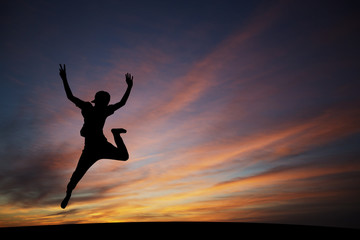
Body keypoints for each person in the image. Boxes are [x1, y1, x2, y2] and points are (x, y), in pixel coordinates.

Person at [59, 64, 133, 209]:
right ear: (98, 101)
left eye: (104, 101)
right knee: (76, 176)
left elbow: (122, 103)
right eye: (102, 101)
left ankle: (115, 134)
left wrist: (129, 87)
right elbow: (70, 97)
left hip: (101, 145)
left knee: (124, 156)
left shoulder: (103, 110)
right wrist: (64, 78)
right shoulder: (88, 107)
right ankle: (68, 194)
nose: (103, 103)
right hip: (90, 149)